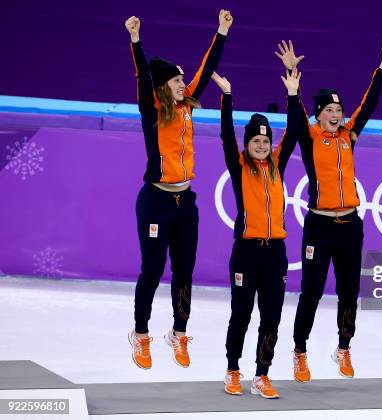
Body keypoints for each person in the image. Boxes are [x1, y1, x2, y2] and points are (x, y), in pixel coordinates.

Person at [275, 38, 382, 381]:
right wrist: (291, 78)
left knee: (349, 291)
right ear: (318, 114)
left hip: (350, 226)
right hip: (319, 226)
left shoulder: (349, 134)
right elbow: (296, 113)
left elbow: (370, 104)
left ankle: (344, 347)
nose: (336, 114)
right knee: (311, 292)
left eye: (339, 110)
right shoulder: (310, 137)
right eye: (330, 110)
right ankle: (300, 351)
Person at [125, 10, 233, 370]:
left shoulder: (187, 106)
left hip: (185, 200)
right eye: (177, 81)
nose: (183, 84)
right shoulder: (152, 110)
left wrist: (220, 31)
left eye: (184, 80)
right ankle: (141, 334)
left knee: (184, 271)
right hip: (156, 200)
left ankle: (179, 332)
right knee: (153, 269)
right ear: (163, 85)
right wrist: (136, 40)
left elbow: (206, 66)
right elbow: (143, 75)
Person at [211, 69, 302, 398]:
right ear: (247, 144)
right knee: (241, 313)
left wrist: (293, 95)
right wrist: (227, 97)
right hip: (246, 252)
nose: (262, 146)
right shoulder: (238, 167)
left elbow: (292, 135)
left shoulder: (278, 163)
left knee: (272, 317)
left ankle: (262, 374)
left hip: (275, 253)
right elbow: (224, 135)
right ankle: (233, 369)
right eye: (255, 141)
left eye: (265, 141)